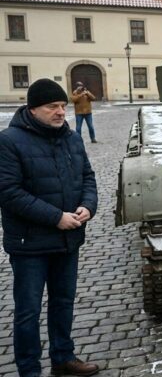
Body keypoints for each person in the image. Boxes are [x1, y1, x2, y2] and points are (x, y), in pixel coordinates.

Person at [0, 78, 99, 377]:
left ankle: (63, 358)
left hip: (68, 239)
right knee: (28, 311)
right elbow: (8, 191)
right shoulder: (9, 141)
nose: (60, 112)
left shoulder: (71, 138)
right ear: (32, 109)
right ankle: (29, 370)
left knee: (63, 302)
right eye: (51, 107)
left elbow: (88, 177)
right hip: (30, 242)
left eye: (62, 106)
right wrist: (56, 217)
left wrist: (88, 206)